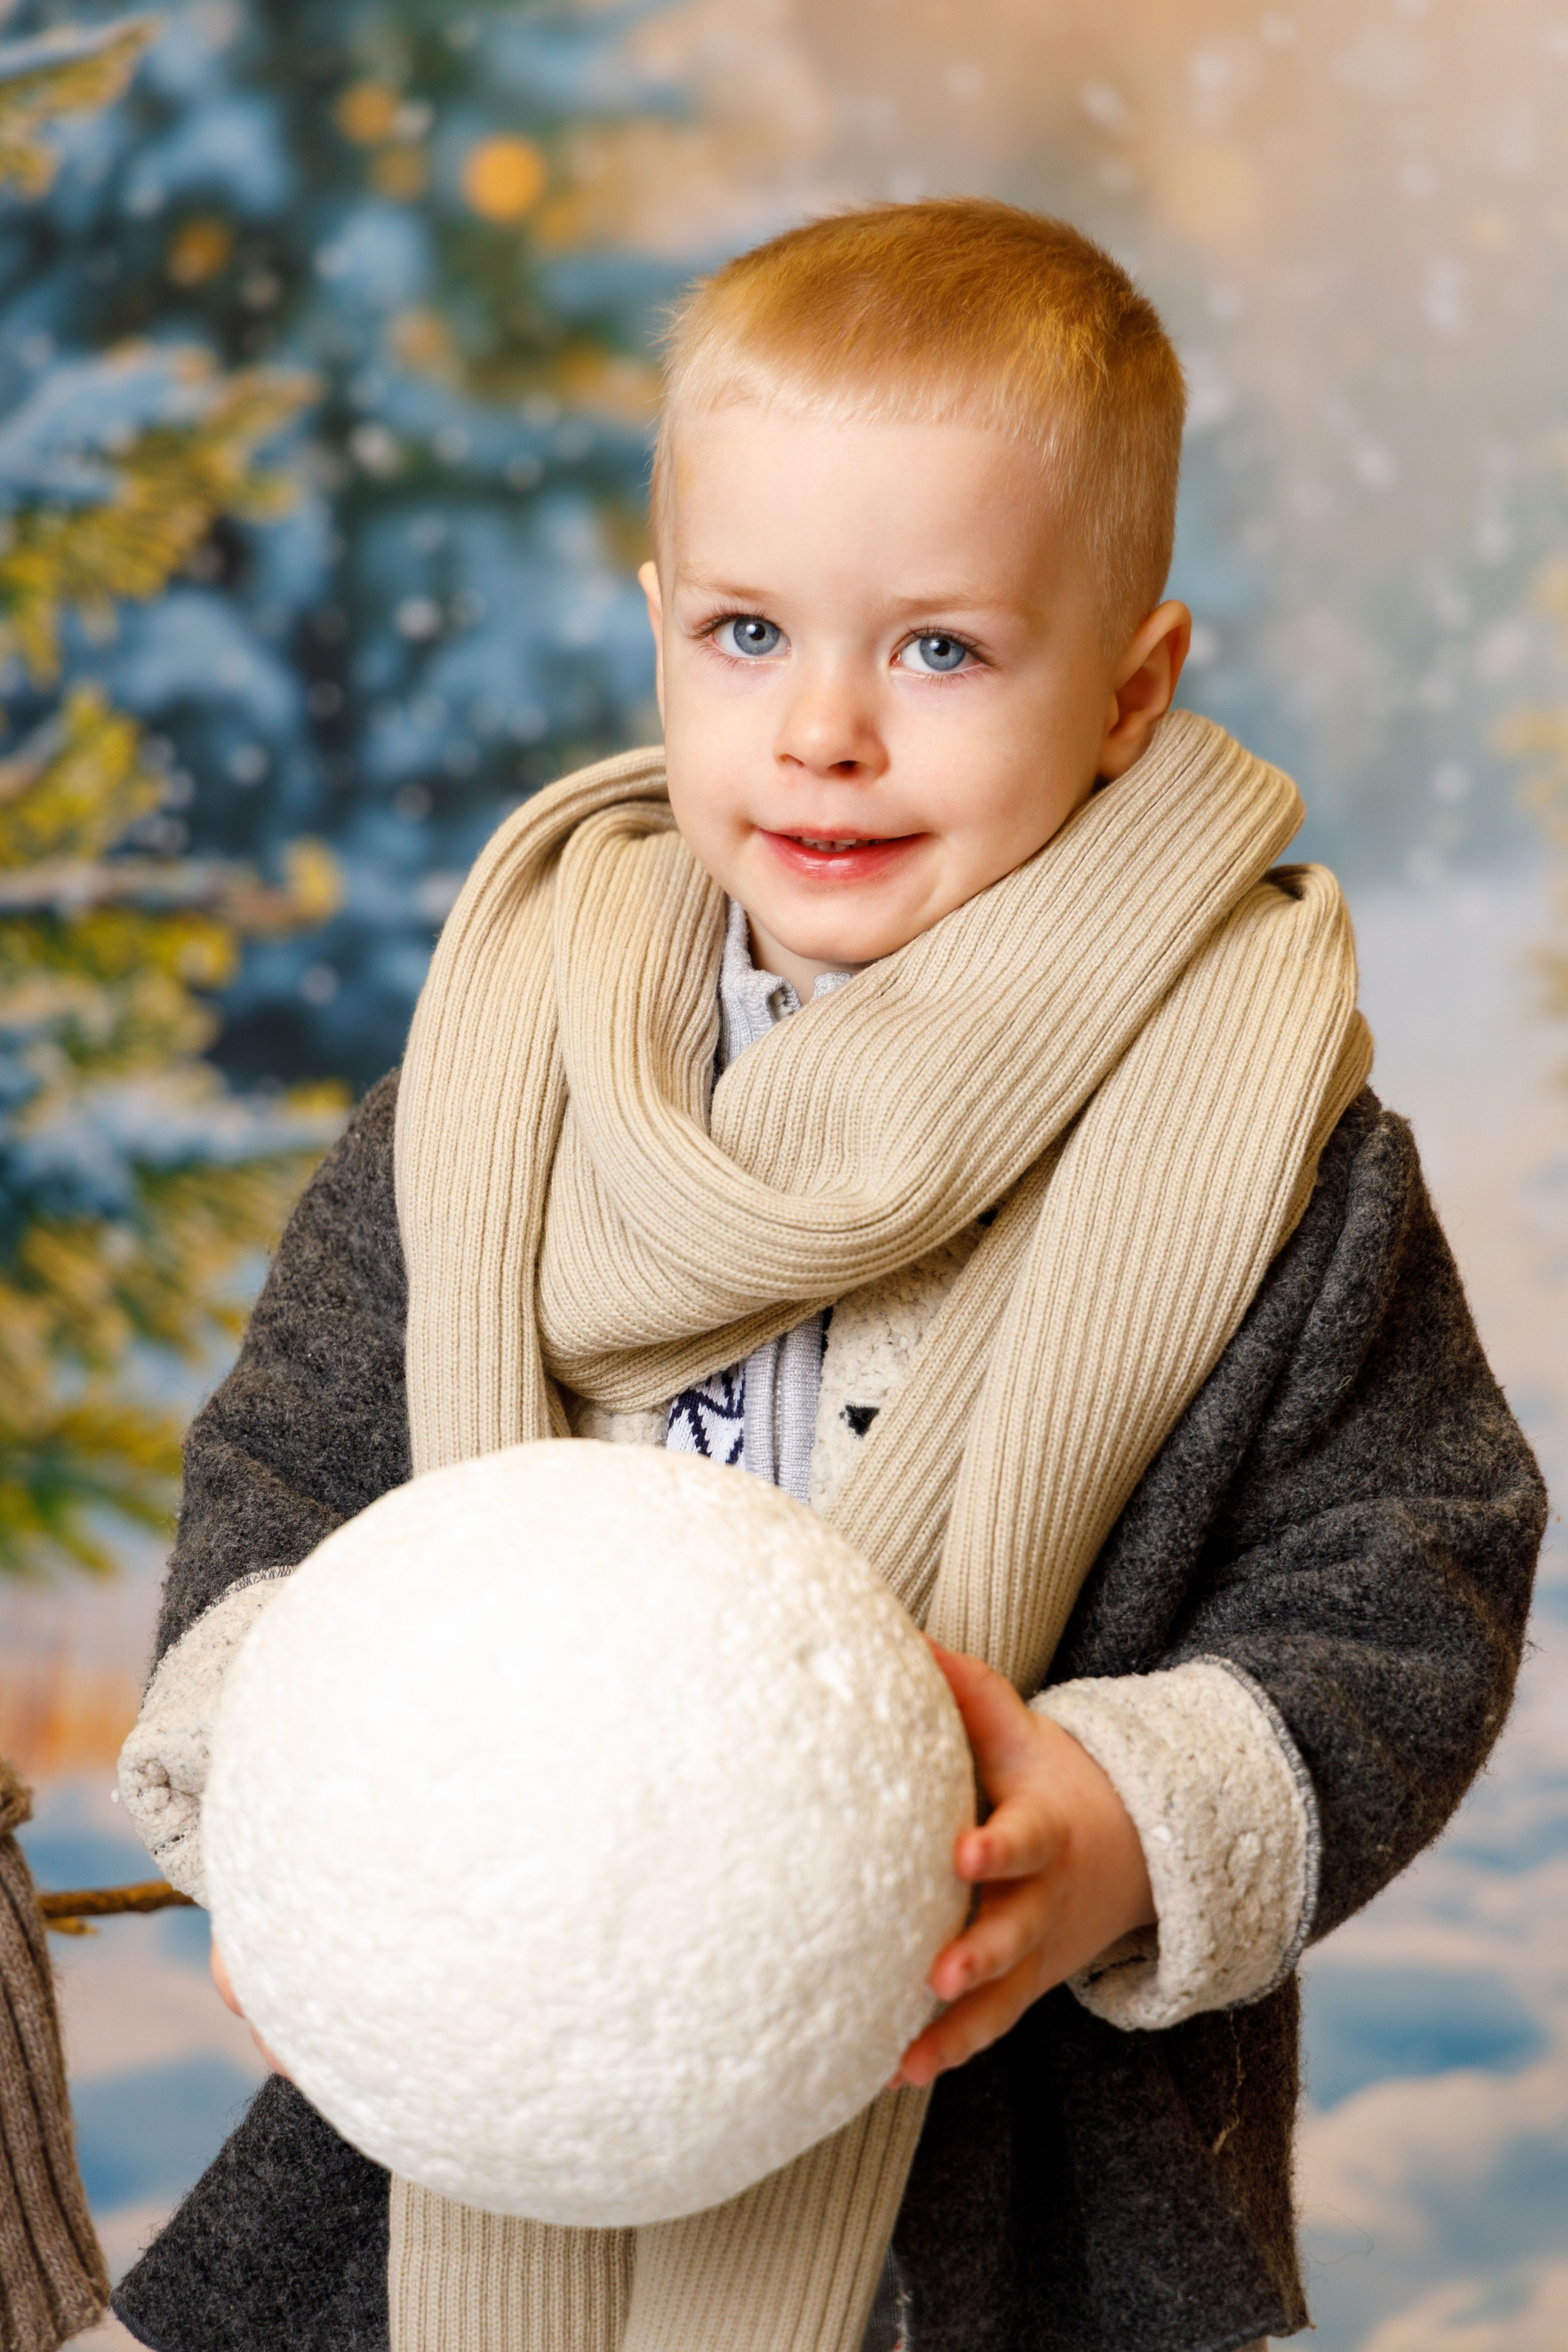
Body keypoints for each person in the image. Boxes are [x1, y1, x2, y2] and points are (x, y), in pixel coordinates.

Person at [113, 201, 1544, 2352]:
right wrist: (299, 1809)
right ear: (657, 625)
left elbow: (1409, 1569)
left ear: (1133, 687)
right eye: (747, 633)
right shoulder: (504, 1076)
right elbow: (291, 1469)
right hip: (476, 2102)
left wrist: (1121, 1822)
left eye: (940, 650)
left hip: (1000, 2183)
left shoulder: (1254, 1137)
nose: (824, 731)